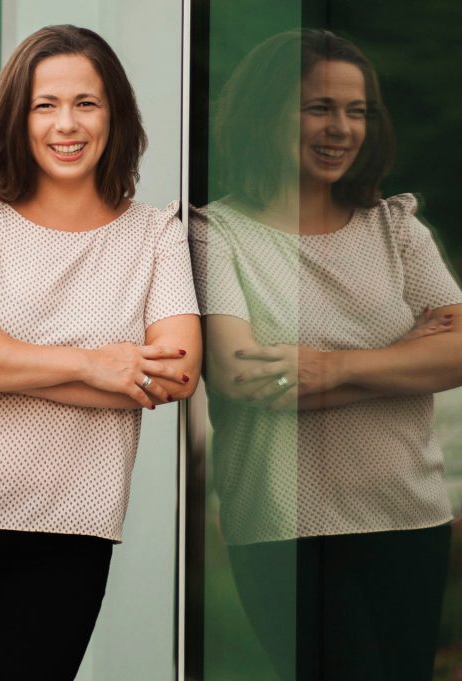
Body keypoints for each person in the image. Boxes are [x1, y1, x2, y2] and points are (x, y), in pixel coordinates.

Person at [0, 24, 201, 681]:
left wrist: (0, 354)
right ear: (17, 118)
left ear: (115, 115)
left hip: (70, 533)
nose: (67, 124)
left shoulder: (155, 235)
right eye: (45, 104)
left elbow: (174, 370)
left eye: (86, 103)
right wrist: (96, 363)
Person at [190, 29, 462, 681]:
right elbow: (238, 372)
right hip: (285, 526)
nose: (341, 128)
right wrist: (403, 360)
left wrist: (328, 368)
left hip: (409, 517)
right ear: (265, 114)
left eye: (357, 110)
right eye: (318, 108)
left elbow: (458, 352)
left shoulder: (395, 226)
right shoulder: (215, 232)